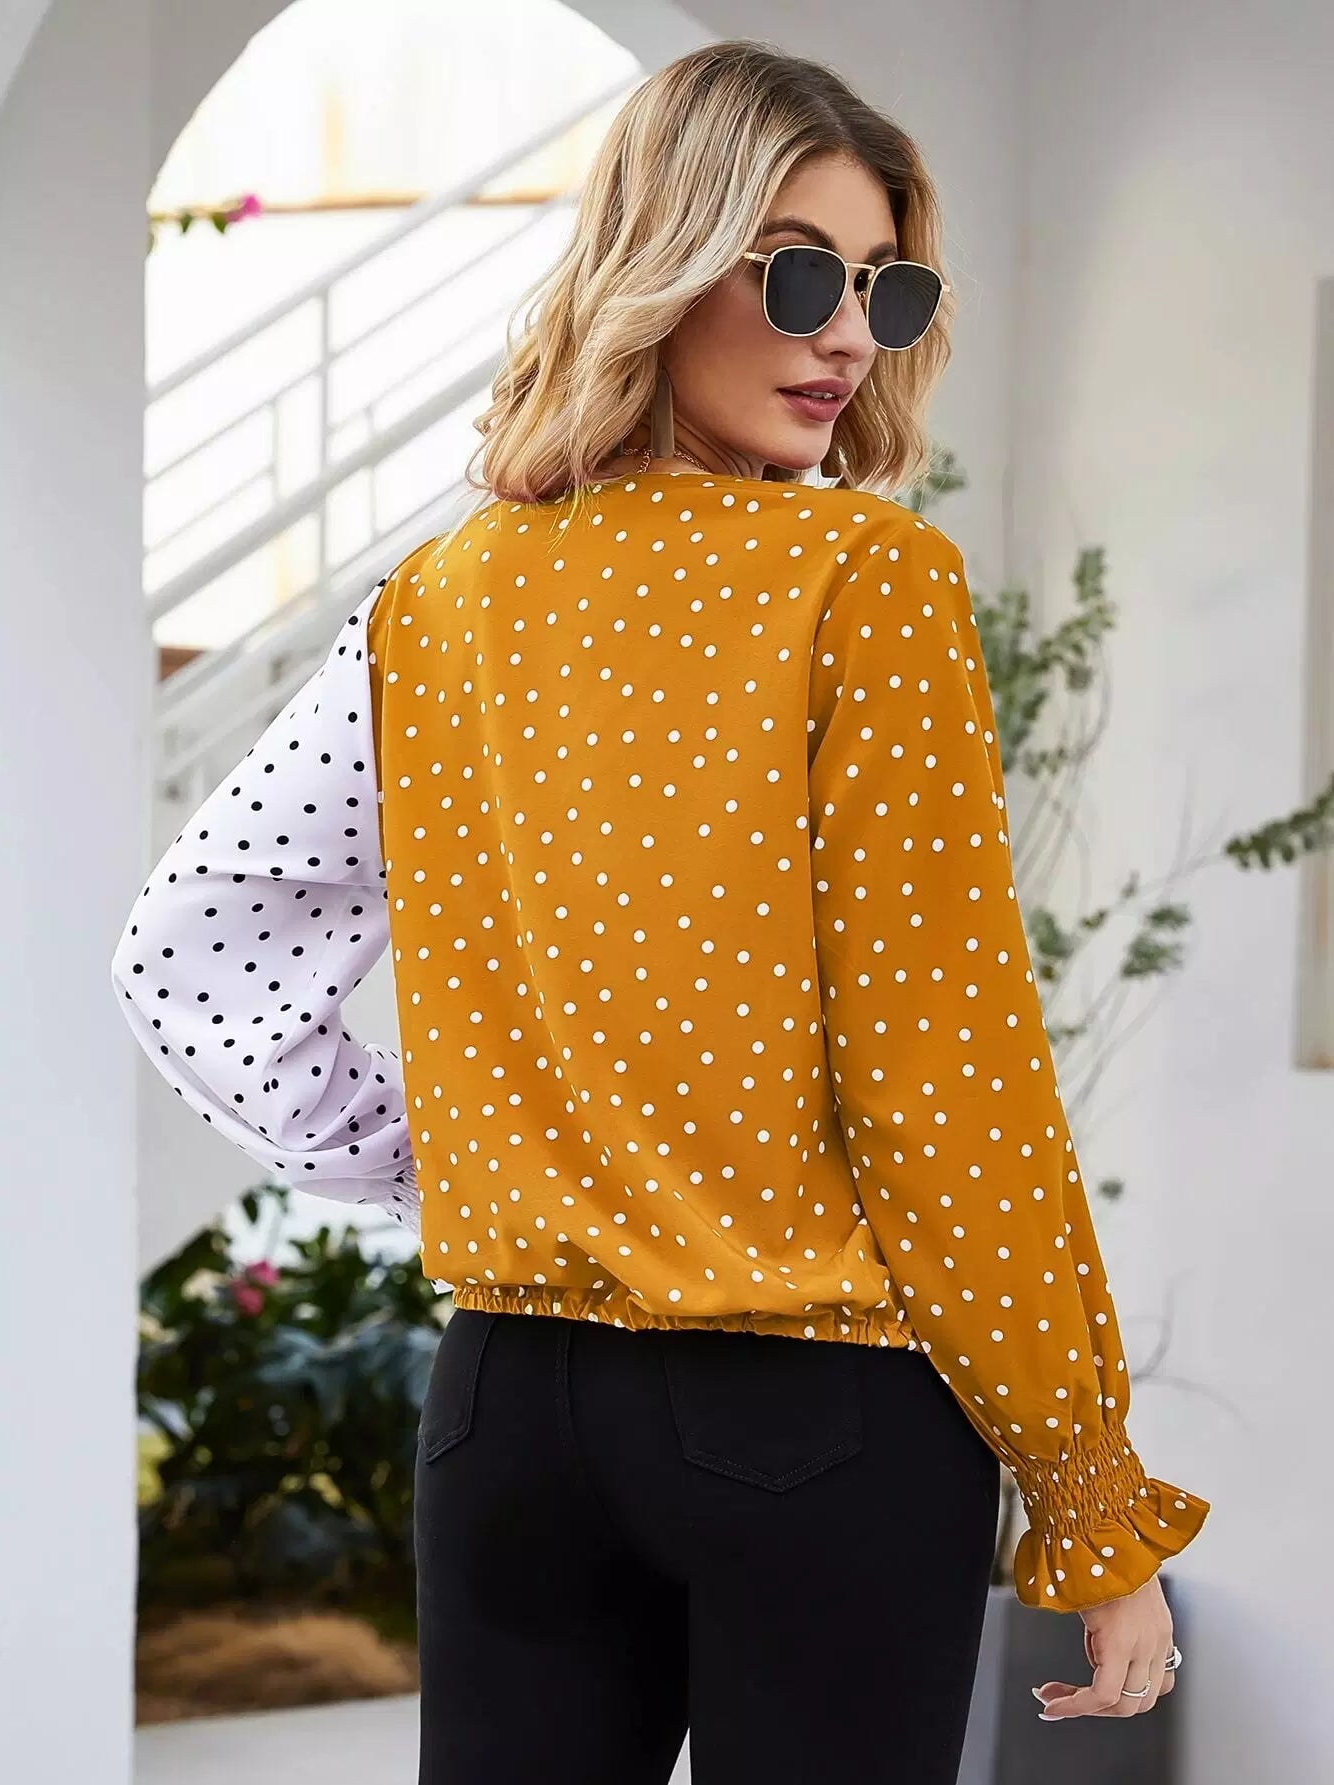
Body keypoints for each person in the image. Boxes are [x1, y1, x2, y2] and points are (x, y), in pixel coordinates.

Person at [110, 38, 1209, 1785]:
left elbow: (188, 954)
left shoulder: (436, 600)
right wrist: (1089, 1498)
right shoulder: (866, 581)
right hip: (818, 1415)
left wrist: (443, 1162)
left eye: (886, 290)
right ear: (664, 260)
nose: (849, 338)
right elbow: (947, 1088)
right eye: (798, 275)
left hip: (507, 1418)